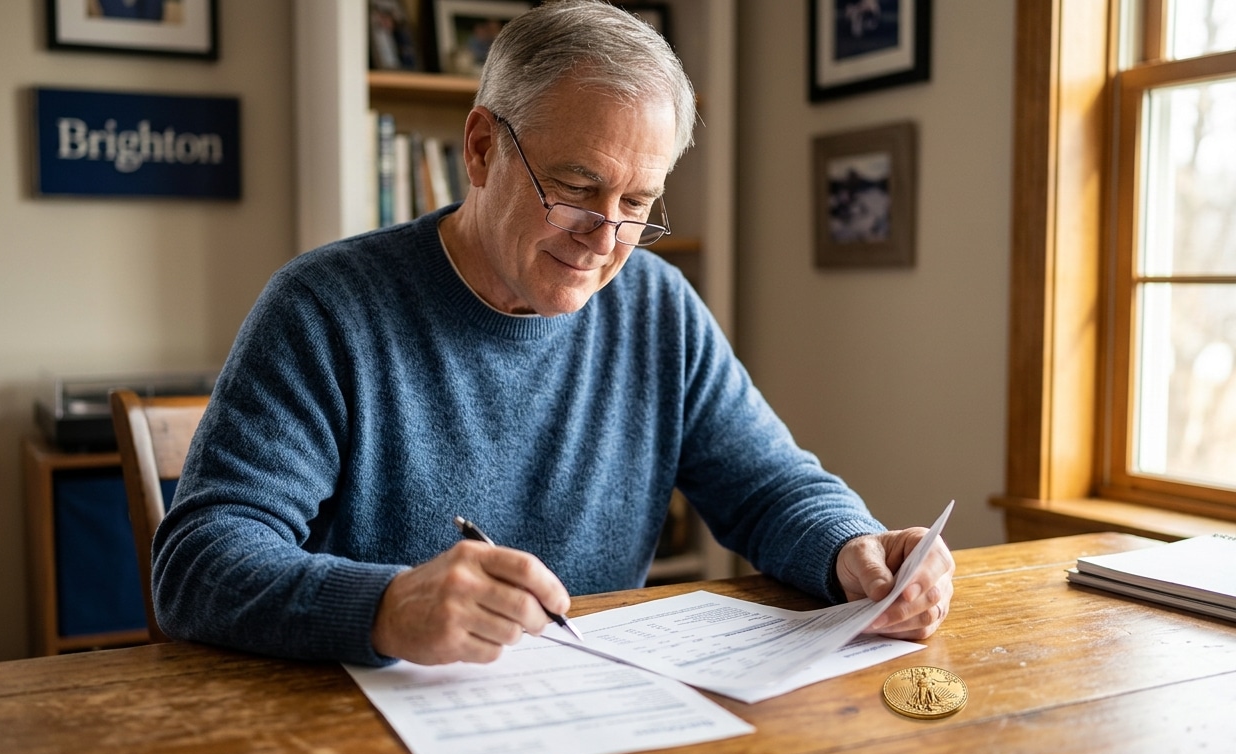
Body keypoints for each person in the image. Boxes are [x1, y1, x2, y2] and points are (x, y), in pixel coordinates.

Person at [153, 0, 955, 667]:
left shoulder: (658, 307)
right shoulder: (325, 309)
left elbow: (770, 485)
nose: (605, 237)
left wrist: (853, 547)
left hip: (598, 712)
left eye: (638, 204)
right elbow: (199, 563)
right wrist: (385, 606)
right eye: (576, 186)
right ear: (479, 148)